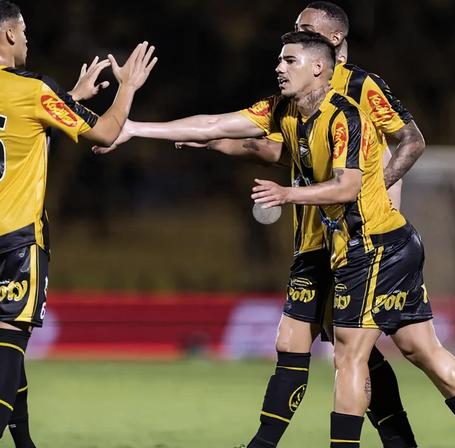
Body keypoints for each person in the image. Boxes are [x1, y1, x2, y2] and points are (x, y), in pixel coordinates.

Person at [94, 31, 455, 448]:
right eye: (279, 60)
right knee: (416, 347)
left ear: (319, 67)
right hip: (355, 246)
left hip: (374, 247)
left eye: (288, 60)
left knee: (351, 356)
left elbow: (348, 187)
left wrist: (288, 194)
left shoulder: (346, 115)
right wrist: (133, 127)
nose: (278, 67)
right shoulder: (284, 110)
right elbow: (214, 123)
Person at [171, 3, 425, 446]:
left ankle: (415, 438)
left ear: (333, 45)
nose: (292, 42)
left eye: (305, 33)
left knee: (366, 354)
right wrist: (208, 140)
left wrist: (373, 191)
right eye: (294, 33)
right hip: (312, 239)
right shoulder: (291, 98)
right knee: (307, 347)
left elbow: (409, 141)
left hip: (359, 243)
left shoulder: (359, 91)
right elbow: (272, 150)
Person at [0, 1, 157, 446]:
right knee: (8, 347)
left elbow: (13, 125)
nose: (27, 38)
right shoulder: (34, 89)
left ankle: (25, 445)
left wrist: (69, 100)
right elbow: (106, 133)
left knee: (7, 340)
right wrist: (128, 87)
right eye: (23, 31)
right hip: (17, 233)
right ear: (8, 37)